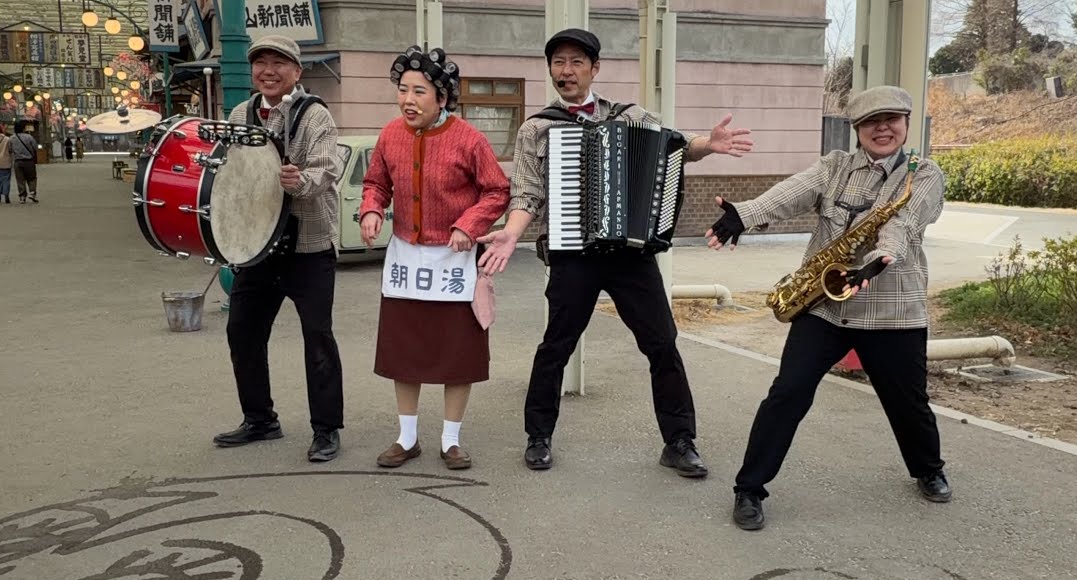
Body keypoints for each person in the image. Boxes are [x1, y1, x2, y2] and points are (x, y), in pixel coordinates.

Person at [477, 28, 753, 478]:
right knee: (556, 346)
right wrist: (511, 233)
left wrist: (708, 143)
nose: (566, 71)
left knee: (662, 344)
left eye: (576, 62)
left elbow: (674, 145)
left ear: (594, 69)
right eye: (558, 63)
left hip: (630, 256)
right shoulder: (538, 128)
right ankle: (538, 436)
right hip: (573, 254)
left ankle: (679, 441)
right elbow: (527, 194)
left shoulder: (631, 116)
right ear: (550, 69)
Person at [703, 85, 951, 531]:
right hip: (824, 307)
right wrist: (744, 214)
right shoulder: (834, 167)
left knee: (908, 403)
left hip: (892, 309)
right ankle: (749, 489)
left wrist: (878, 260)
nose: (883, 128)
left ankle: (928, 469)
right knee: (786, 394)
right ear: (855, 129)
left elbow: (904, 222)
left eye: (892, 119)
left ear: (906, 124)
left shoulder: (924, 174)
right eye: (871, 121)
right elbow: (787, 194)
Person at [359, 46, 511, 471]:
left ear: (442, 98)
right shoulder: (390, 134)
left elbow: (497, 190)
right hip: (406, 259)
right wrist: (371, 208)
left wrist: (469, 223)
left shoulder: (470, 140)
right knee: (403, 350)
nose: (408, 100)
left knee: (455, 353)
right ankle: (406, 438)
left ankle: (450, 440)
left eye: (419, 91)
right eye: (403, 90)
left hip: (455, 260)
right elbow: (376, 181)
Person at [212, 35, 346, 463]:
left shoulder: (316, 115)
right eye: (260, 63)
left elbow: (326, 169)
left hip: (308, 246)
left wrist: (299, 181)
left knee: (317, 337)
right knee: (242, 331)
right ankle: (260, 420)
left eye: (278, 63)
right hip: (258, 247)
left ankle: (326, 429)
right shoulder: (241, 112)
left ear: (296, 71)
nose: (267, 71)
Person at [10, 122, 39, 204]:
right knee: (32, 178)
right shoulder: (29, 137)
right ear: (23, 128)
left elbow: (9, 149)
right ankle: (32, 193)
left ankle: (22, 196)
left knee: (20, 179)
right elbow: (35, 147)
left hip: (18, 161)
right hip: (29, 161)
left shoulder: (12, 138)